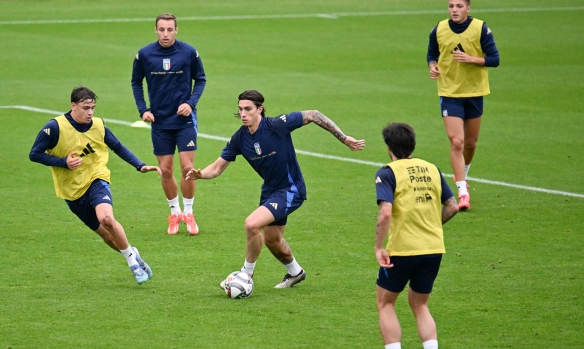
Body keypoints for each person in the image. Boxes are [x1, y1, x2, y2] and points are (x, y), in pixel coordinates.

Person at [185, 90, 365, 290]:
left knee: (251, 225)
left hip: (291, 189)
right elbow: (217, 167)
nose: (243, 114)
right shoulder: (239, 138)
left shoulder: (277, 124)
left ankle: (246, 274)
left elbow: (314, 114)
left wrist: (344, 138)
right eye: (240, 109)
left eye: (248, 109)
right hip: (270, 190)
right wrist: (200, 175)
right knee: (272, 240)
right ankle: (296, 273)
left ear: (259, 110)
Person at [29, 86, 161, 285]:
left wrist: (140, 165)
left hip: (96, 178)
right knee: (108, 237)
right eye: (85, 108)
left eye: (93, 107)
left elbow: (117, 146)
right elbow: (34, 154)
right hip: (71, 191)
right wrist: (63, 162)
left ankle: (133, 264)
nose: (90, 112)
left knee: (107, 219)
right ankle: (133, 254)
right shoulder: (55, 127)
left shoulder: (98, 125)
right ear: (73, 106)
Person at [374, 123, 459, 349]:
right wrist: (430, 224)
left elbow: (385, 213)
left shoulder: (387, 172)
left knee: (385, 303)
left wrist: (378, 246)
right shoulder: (432, 168)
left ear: (389, 147)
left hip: (403, 249)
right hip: (433, 248)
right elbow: (452, 206)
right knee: (420, 305)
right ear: (412, 145)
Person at [131, 13, 207, 235]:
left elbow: (200, 79)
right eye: (161, 29)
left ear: (176, 30)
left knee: (187, 168)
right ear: (155, 30)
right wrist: (143, 110)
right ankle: (175, 213)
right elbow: (136, 81)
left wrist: (191, 103)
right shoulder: (144, 54)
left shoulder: (189, 52)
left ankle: (189, 213)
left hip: (184, 121)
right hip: (160, 122)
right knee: (165, 170)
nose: (165, 34)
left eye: (169, 29)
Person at [426, 0, 500, 210]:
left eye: (459, 6)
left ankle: (463, 175)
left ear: (468, 8)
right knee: (456, 142)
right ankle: (462, 192)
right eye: (451, 6)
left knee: (470, 144)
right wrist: (433, 67)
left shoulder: (481, 29)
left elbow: (495, 59)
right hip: (449, 93)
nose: (454, 10)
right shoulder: (439, 29)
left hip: (475, 93)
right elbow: (432, 54)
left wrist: (472, 59)